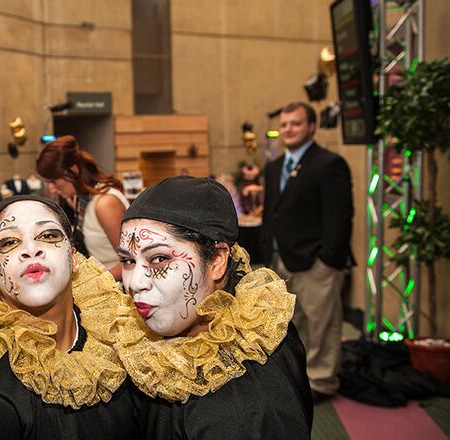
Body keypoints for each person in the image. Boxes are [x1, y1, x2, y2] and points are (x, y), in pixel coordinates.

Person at [114, 176, 313, 439]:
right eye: (127, 261)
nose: (135, 283)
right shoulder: (155, 342)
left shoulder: (245, 408)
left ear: (218, 260)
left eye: (159, 259)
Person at [0, 195, 146, 439]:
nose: (31, 250)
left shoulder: (123, 338)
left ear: (73, 259)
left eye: (48, 236)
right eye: (9, 242)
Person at [262, 102, 353, 401]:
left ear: (311, 127)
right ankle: (300, 375)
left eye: (296, 123)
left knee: (322, 324)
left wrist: (329, 260)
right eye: (284, 124)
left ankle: (323, 381)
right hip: (283, 260)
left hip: (316, 262)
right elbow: (272, 214)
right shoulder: (275, 167)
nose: (288, 129)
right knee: (294, 323)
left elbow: (339, 218)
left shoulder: (329, 164)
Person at [36, 135, 128, 280]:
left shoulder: (105, 204)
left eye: (54, 181)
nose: (52, 188)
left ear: (73, 170)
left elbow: (132, 261)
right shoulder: (81, 199)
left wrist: (92, 284)